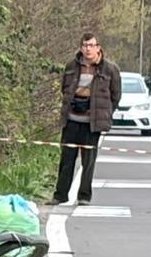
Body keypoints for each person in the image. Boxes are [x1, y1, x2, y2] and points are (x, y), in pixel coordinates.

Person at [51, 32, 120, 206]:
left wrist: (103, 113)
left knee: (88, 161)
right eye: (85, 45)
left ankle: (84, 196)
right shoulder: (71, 66)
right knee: (66, 159)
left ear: (98, 48)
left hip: (92, 123)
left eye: (91, 45)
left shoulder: (109, 69)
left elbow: (115, 95)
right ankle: (60, 195)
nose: (88, 49)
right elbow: (64, 89)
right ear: (81, 47)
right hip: (72, 120)